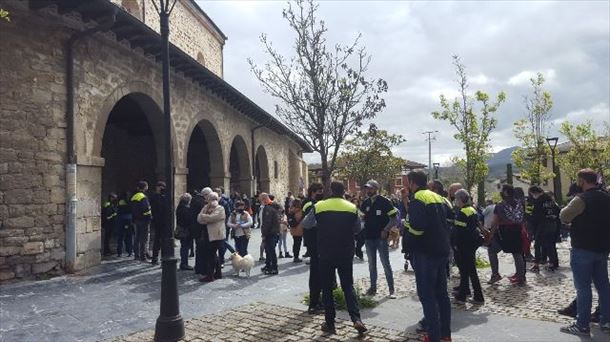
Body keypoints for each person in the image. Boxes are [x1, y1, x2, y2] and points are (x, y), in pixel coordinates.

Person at [301, 181, 368, 336]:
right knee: (348, 286)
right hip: (345, 252)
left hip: (325, 252)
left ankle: (330, 323)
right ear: (343, 191)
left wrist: (322, 224)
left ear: (330, 191)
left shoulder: (320, 206)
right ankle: (356, 319)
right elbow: (358, 229)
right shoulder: (351, 207)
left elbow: (306, 223)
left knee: (327, 288)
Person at [559, 169, 610, 336]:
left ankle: (582, 325)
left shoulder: (581, 199)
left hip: (583, 248)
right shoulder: (607, 198)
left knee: (583, 288)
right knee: (603, 286)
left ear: (582, 181)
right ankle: (607, 321)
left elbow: (564, 215)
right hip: (602, 248)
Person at [403, 170, 451, 342]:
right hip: (442, 250)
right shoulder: (438, 197)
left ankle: (433, 336)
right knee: (442, 295)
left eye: (407, 182)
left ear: (412, 182)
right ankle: (445, 335)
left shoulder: (418, 199)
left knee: (427, 295)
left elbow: (417, 227)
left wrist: (407, 236)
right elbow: (450, 219)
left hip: (425, 253)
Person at [360, 179, 398, 298]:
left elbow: (394, 218)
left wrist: (386, 229)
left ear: (376, 189)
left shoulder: (385, 202)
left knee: (385, 263)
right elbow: (361, 219)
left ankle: (391, 289)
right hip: (368, 238)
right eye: (367, 188)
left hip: (381, 239)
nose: (368, 190)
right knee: (372, 264)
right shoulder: (365, 203)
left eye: (370, 188)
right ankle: (373, 287)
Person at [488, 184, 526, 285]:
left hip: (504, 232)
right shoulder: (520, 203)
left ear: (505, 192)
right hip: (518, 231)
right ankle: (520, 277)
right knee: (517, 253)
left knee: (492, 250)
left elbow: (495, 221)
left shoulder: (500, 205)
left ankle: (495, 274)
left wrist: (491, 235)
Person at [452, 189, 484, 304]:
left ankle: (477, 296)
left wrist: (455, 244)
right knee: (467, 270)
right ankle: (464, 292)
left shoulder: (462, 213)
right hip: (471, 243)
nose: (455, 201)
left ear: (460, 199)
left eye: (456, 199)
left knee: (469, 270)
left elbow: (459, 231)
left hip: (464, 245)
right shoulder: (471, 210)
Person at [303, 182, 325, 313]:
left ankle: (318, 301)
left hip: (317, 241)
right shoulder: (309, 204)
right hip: (314, 241)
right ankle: (314, 303)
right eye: (319, 191)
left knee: (318, 272)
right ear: (313, 192)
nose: (321, 194)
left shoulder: (314, 203)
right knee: (316, 273)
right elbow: (310, 222)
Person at [528, 186, 560, 272]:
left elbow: (536, 215)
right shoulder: (550, 200)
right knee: (550, 245)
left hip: (542, 225)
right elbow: (557, 211)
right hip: (553, 224)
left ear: (534, 193)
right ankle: (553, 263)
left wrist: (531, 221)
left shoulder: (539, 201)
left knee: (537, 244)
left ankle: (536, 264)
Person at [197, 192, 226, 282]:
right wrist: (206, 217)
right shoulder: (206, 207)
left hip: (216, 235)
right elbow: (198, 219)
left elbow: (213, 218)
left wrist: (204, 217)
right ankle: (218, 273)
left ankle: (210, 275)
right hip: (207, 234)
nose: (211, 202)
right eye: (210, 199)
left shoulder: (220, 208)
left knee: (211, 255)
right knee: (211, 254)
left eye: (213, 199)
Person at [259, 193, 281, 275]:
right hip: (274, 231)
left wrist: (264, 234)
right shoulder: (275, 206)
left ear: (264, 199)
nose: (260, 202)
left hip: (270, 232)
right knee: (269, 250)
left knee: (271, 251)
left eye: (261, 200)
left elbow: (267, 223)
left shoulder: (268, 208)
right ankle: (268, 265)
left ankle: (274, 268)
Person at [131, 181, 152, 261]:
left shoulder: (134, 197)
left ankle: (136, 255)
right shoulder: (143, 197)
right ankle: (143, 256)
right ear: (145, 187)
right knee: (144, 238)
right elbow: (146, 209)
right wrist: (149, 218)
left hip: (136, 220)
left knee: (137, 238)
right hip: (144, 220)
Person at [191, 188, 210, 275]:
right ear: (205, 195)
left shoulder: (194, 200)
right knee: (202, 249)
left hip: (195, 228)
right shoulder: (202, 203)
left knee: (198, 249)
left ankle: (198, 267)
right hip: (201, 229)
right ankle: (202, 268)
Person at [150, 181, 169, 265]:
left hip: (165, 221)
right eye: (159, 187)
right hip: (157, 221)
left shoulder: (166, 196)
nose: (160, 189)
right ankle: (155, 258)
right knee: (157, 240)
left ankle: (164, 258)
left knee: (164, 240)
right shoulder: (154, 196)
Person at [176, 193, 194, 270]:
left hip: (181, 229)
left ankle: (184, 263)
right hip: (185, 230)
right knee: (185, 247)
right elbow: (188, 220)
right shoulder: (185, 209)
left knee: (184, 246)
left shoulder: (179, 207)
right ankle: (184, 264)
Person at [116, 192, 133, 257]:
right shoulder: (130, 202)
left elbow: (118, 209)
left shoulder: (120, 201)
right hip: (129, 220)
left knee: (120, 237)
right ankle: (129, 251)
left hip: (121, 220)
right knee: (129, 237)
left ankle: (119, 252)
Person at [101, 193, 118, 257]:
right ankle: (106, 251)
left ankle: (108, 250)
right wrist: (114, 215)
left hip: (110, 223)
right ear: (111, 198)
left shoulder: (111, 204)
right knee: (107, 238)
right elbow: (107, 215)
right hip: (108, 224)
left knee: (108, 237)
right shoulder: (108, 204)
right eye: (114, 198)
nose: (115, 199)